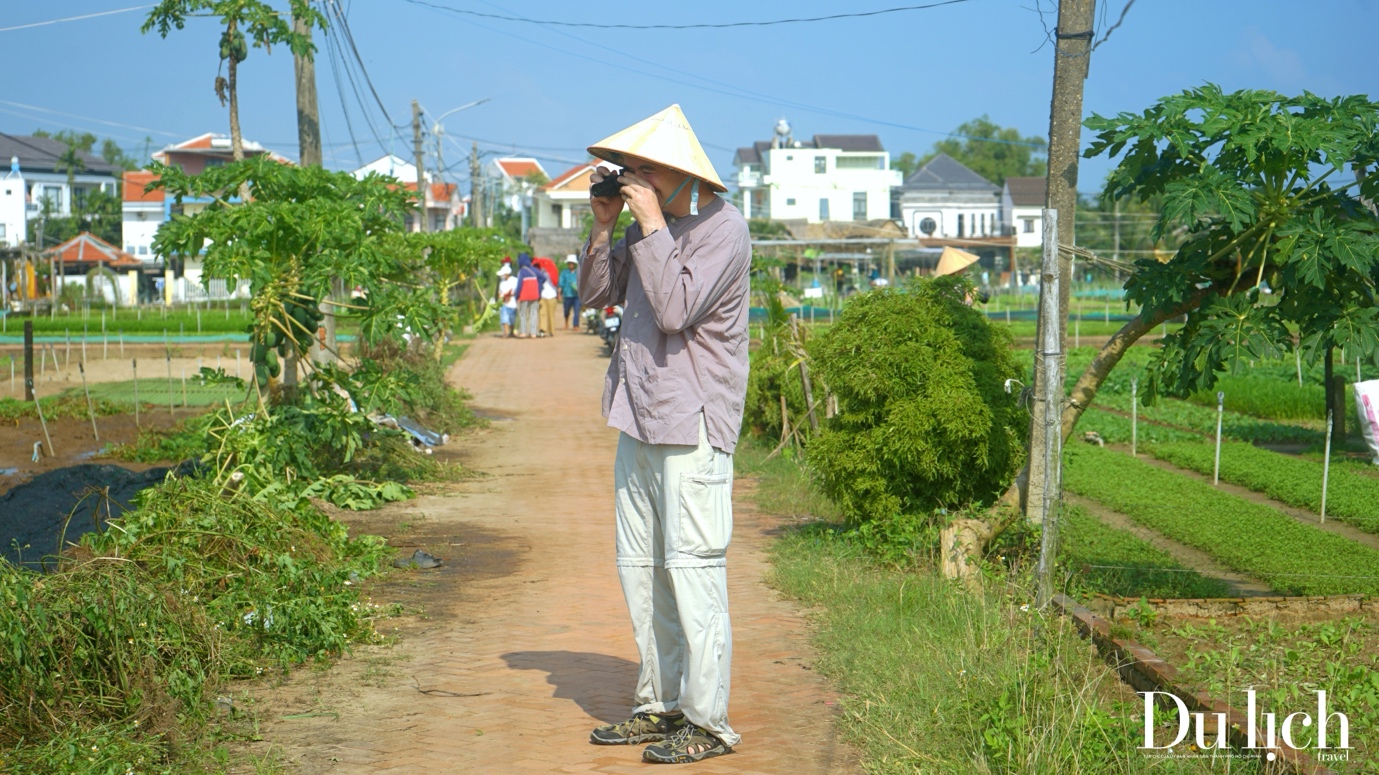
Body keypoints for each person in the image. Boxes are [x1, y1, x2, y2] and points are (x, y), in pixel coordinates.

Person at [579, 104, 750, 765]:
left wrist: (649, 223)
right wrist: (604, 229)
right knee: (642, 569)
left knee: (692, 570)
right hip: (638, 414)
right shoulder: (655, 227)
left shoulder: (721, 230)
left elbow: (675, 309)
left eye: (640, 171)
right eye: (625, 173)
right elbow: (597, 295)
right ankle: (660, 703)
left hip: (693, 420)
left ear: (677, 173)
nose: (630, 181)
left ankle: (709, 722)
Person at [514, 252, 547, 338]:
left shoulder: (521, 272)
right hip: (534, 295)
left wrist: (517, 296)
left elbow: (519, 285)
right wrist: (538, 286)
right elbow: (543, 278)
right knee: (533, 314)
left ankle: (523, 332)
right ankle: (533, 333)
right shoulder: (535, 270)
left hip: (524, 296)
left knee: (523, 314)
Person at [559, 255, 581, 329]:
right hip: (567, 295)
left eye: (572, 263)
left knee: (577, 311)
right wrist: (559, 293)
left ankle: (576, 325)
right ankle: (566, 322)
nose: (570, 264)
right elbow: (561, 283)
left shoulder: (578, 273)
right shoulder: (564, 273)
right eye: (569, 263)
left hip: (577, 296)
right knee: (566, 311)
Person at [496, 264, 517, 337]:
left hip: (513, 303)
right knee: (504, 318)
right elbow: (500, 292)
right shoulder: (502, 282)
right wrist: (501, 298)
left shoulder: (514, 280)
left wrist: (510, 295)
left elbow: (516, 291)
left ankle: (512, 331)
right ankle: (506, 333)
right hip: (504, 303)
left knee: (512, 319)